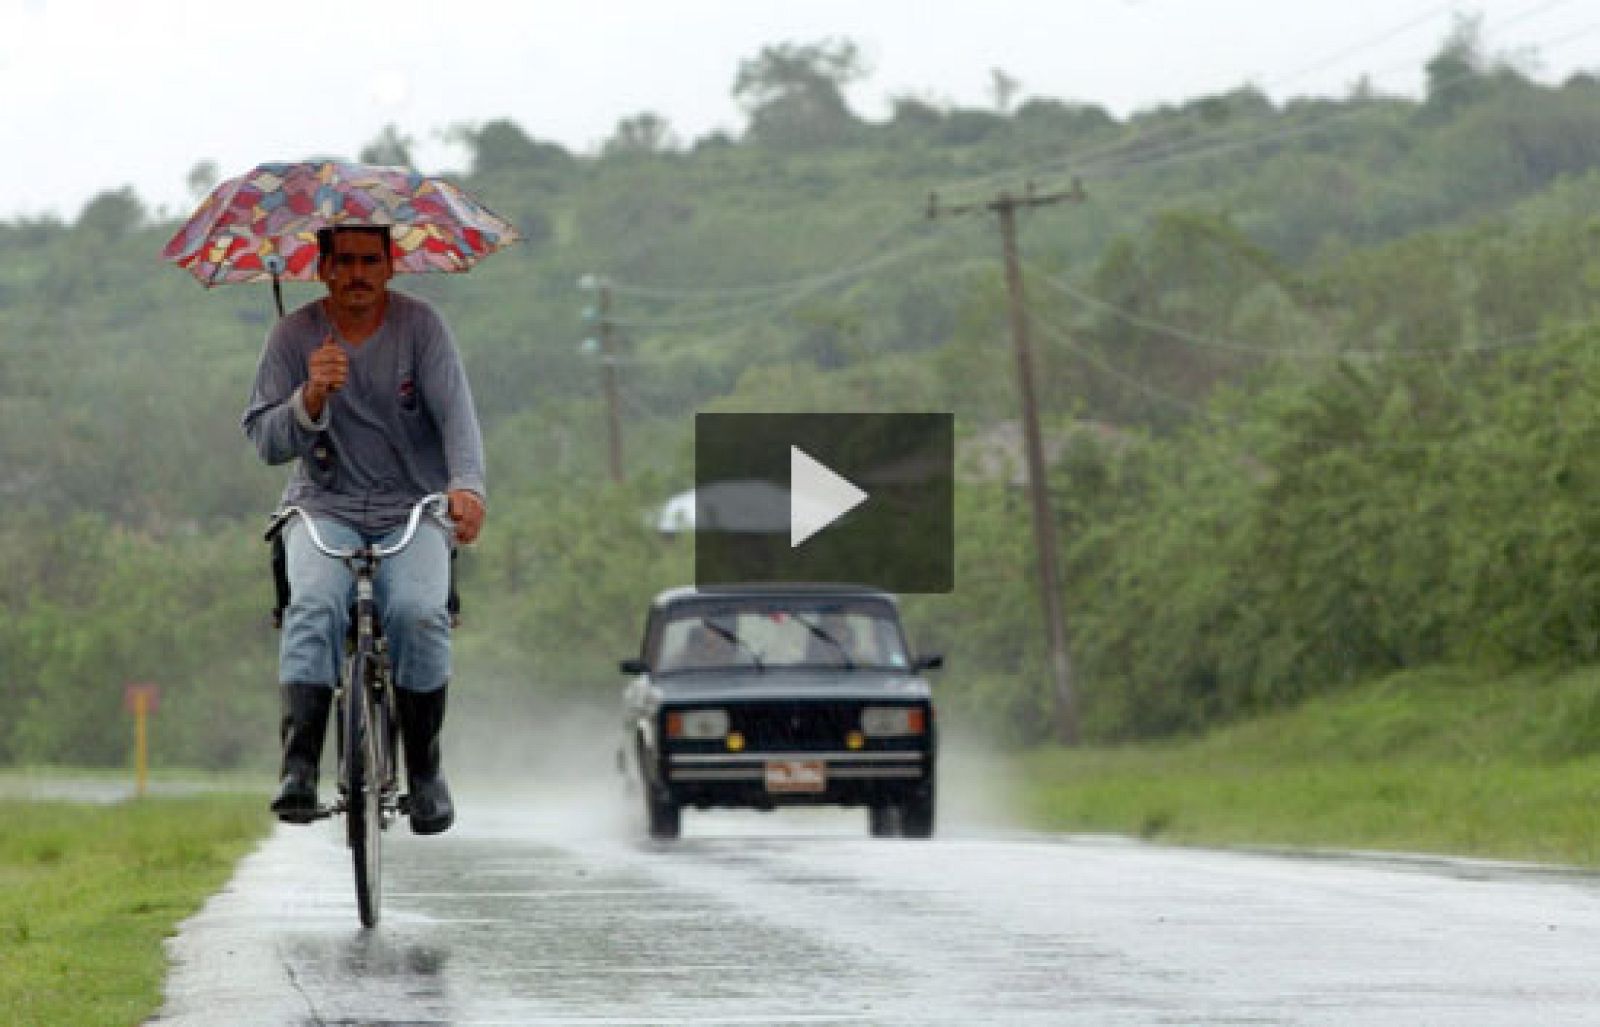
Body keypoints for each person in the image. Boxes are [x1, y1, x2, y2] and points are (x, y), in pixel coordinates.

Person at [242, 225, 486, 835]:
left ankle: (425, 770)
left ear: (390, 265)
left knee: (417, 612)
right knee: (315, 606)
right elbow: (265, 441)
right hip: (324, 505)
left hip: (413, 505)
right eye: (343, 261)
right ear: (321, 267)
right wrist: (310, 397)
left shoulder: (421, 328)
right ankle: (299, 766)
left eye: (370, 261)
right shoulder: (292, 336)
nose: (357, 273)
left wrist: (468, 486)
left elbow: (458, 415)